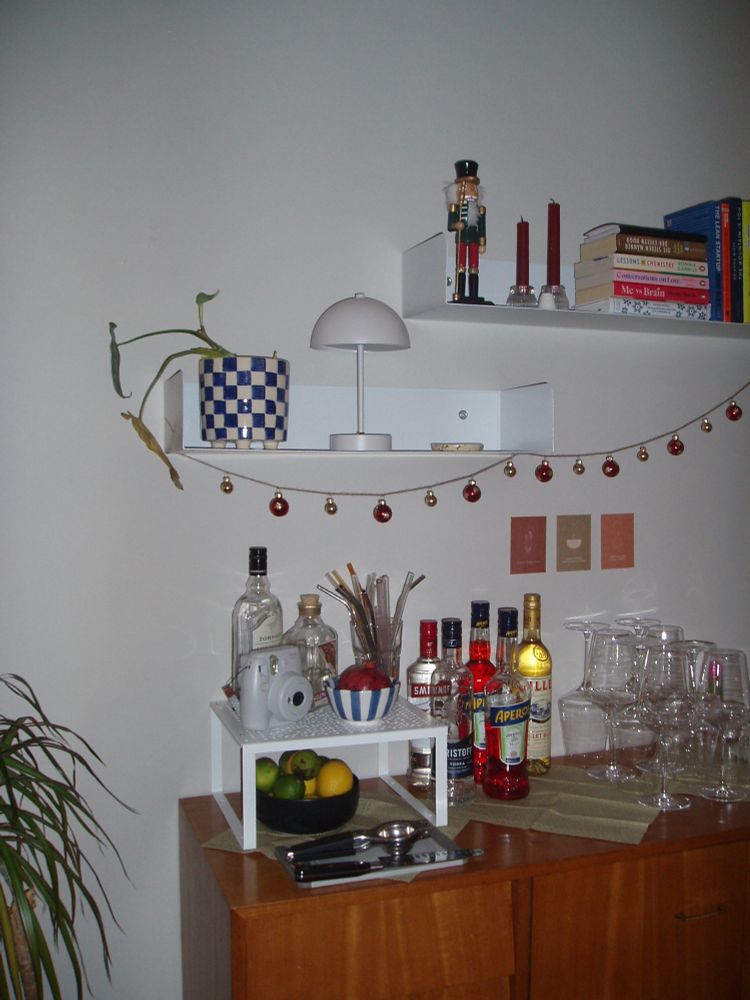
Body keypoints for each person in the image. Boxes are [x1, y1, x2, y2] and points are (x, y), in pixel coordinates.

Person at [446, 159, 489, 303]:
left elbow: (482, 226)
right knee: (460, 267)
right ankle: (460, 293)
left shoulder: (479, 210)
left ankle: (473, 295)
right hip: (462, 239)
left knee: (474, 267)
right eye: (467, 187)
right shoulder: (456, 208)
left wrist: (482, 242)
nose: (470, 190)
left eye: (473, 187)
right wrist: (456, 225)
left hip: (474, 240)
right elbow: (450, 225)